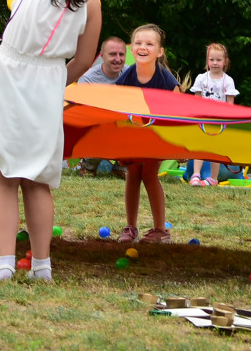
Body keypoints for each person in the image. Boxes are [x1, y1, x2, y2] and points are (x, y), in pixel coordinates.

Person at [0, 0, 104, 281]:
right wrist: (53, 82)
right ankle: (42, 266)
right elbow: (86, 59)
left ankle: (4, 264)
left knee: (3, 174)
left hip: (7, 76)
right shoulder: (92, 3)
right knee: (37, 178)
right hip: (47, 80)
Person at [115, 24, 179, 244]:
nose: (143, 47)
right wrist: (119, 145)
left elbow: (179, 114)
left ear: (159, 52)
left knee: (149, 174)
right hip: (133, 134)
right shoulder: (126, 78)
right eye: (138, 43)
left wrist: (177, 146)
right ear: (132, 49)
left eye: (149, 44)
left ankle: (161, 229)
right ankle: (130, 227)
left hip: (156, 134)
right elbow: (116, 113)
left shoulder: (166, 80)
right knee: (132, 174)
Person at [75, 36, 127, 177]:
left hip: (124, 125)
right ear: (102, 55)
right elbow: (84, 115)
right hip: (95, 127)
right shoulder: (88, 79)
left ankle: (122, 167)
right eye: (112, 54)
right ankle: (87, 166)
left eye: (121, 54)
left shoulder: (131, 75)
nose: (118, 59)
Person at [188, 42, 239, 186]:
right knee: (200, 146)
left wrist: (228, 120)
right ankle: (196, 174)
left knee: (215, 150)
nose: (215, 63)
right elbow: (196, 99)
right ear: (207, 61)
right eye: (212, 60)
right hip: (203, 119)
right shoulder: (201, 78)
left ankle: (213, 178)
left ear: (225, 62)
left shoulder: (228, 81)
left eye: (218, 60)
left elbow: (230, 103)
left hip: (219, 121)